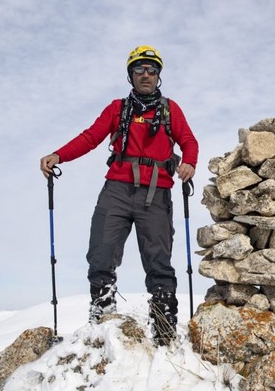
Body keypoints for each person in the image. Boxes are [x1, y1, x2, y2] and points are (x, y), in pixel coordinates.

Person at [39, 45, 198, 345]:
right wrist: (58, 155)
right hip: (117, 190)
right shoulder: (117, 109)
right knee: (100, 253)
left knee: (158, 262)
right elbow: (90, 137)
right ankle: (103, 322)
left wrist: (189, 162)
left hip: (156, 193)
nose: (146, 75)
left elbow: (189, 140)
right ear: (131, 75)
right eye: (140, 70)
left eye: (152, 70)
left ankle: (164, 334)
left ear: (159, 76)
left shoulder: (170, 109)